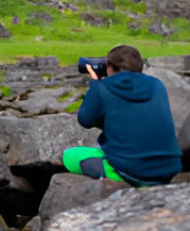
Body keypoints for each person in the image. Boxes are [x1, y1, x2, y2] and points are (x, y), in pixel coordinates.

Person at [62, 44, 182, 186]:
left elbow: (85, 120)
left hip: (133, 172)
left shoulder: (102, 87)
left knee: (69, 156)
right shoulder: (157, 85)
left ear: (110, 67)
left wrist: (94, 85)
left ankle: (122, 178)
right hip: (170, 168)